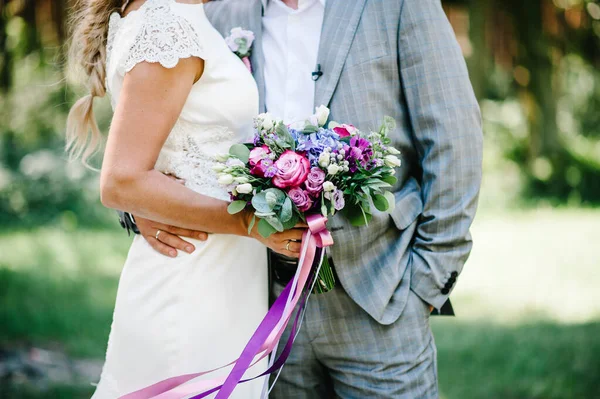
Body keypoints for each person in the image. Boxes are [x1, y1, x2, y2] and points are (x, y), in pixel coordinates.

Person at [129, 0, 484, 397]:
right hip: (263, 309)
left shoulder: (399, 6)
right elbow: (162, 137)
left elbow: (455, 143)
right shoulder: (219, 13)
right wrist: (140, 208)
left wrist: (426, 285)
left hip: (382, 300)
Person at [66, 0, 307, 397]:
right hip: (192, 277)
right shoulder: (167, 25)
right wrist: (250, 223)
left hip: (221, 274)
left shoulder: (173, 14)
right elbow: (121, 181)